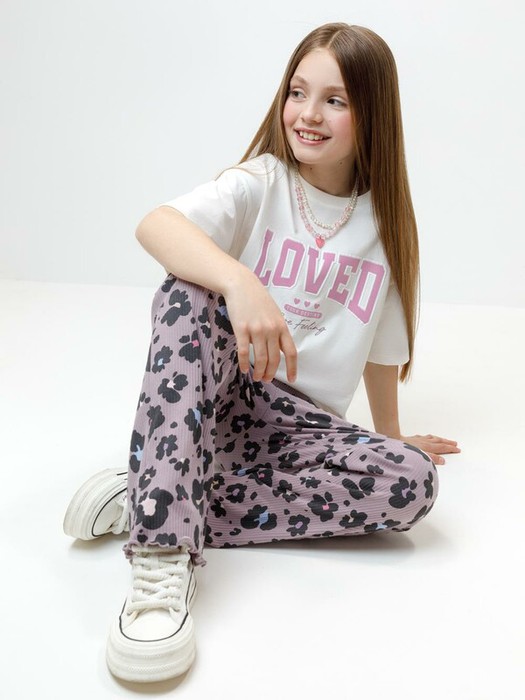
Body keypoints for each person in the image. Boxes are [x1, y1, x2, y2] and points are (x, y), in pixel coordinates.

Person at [63, 22, 460, 683]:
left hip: (301, 431)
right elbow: (156, 224)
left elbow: (380, 351)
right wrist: (239, 281)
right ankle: (162, 555)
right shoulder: (262, 182)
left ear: (373, 113)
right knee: (185, 293)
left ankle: (153, 495)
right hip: (222, 396)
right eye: (297, 92)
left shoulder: (387, 227)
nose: (307, 114)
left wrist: (390, 436)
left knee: (412, 483)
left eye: (335, 100)